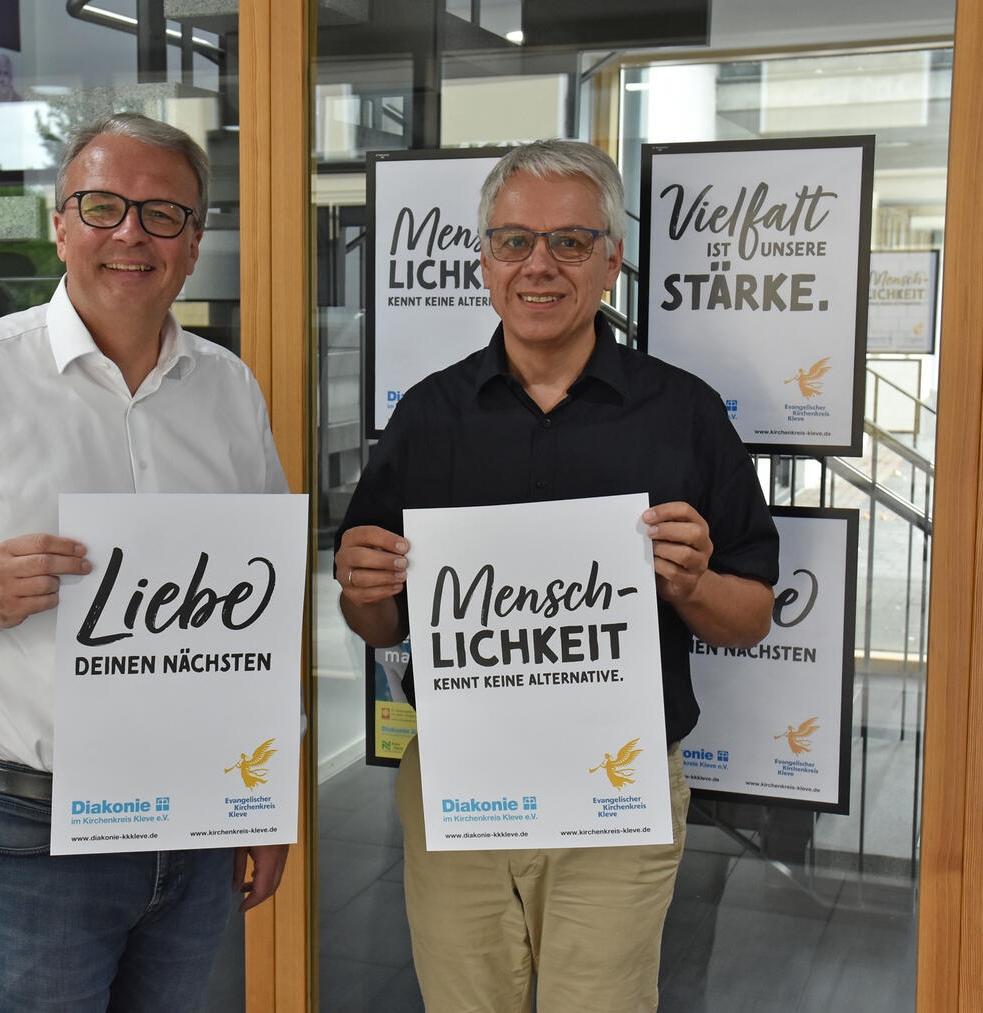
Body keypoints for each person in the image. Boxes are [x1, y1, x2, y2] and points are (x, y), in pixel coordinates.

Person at [0, 112, 290, 1012]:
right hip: (36, 825)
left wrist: (265, 802)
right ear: (61, 222)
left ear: (194, 244)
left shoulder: (229, 389)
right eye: (104, 206)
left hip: (196, 805)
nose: (131, 234)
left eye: (163, 215)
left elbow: (258, 606)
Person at [334, 140, 780, 1013]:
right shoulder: (428, 414)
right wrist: (363, 593)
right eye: (513, 241)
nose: (538, 264)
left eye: (570, 242)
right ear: (484, 263)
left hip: (616, 777)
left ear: (611, 262)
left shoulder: (685, 412)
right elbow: (380, 624)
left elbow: (752, 615)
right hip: (461, 774)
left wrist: (691, 583)